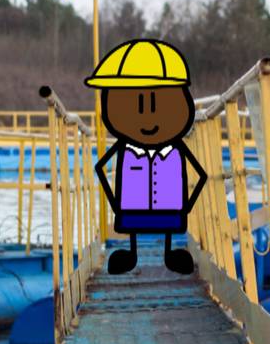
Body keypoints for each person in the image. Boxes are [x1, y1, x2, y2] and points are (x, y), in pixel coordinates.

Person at [86, 39, 207, 275]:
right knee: (136, 232)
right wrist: (118, 205)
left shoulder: (174, 149)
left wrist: (185, 206)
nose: (148, 117)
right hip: (134, 210)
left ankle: (168, 255)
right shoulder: (129, 150)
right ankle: (132, 254)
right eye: (136, 104)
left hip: (169, 211)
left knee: (165, 231)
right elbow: (101, 169)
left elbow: (201, 175)